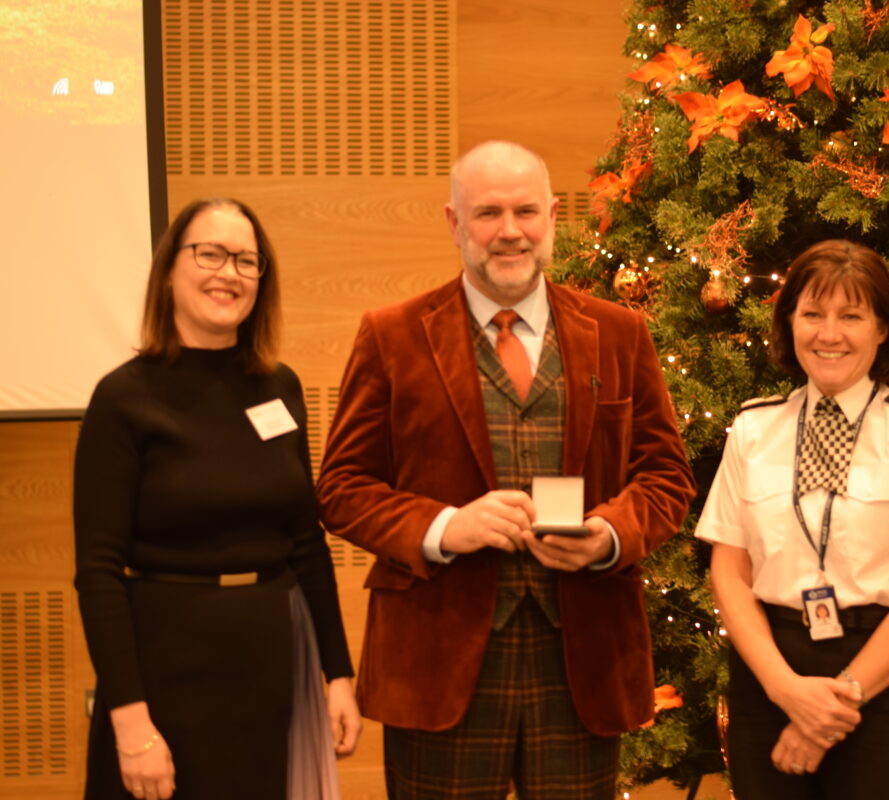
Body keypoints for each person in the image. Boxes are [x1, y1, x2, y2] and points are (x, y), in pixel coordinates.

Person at [316, 140, 695, 800]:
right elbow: (342, 488)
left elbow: (666, 477)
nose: (510, 231)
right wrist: (444, 527)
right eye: (488, 213)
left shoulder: (620, 333)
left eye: (525, 211)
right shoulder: (391, 335)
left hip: (583, 662)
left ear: (552, 217)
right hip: (437, 663)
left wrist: (609, 536)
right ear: (454, 223)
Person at [73, 198, 362, 800]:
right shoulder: (122, 399)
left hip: (268, 669)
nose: (229, 273)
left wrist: (337, 673)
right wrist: (131, 724)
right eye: (210, 254)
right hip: (162, 672)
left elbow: (306, 543)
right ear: (169, 270)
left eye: (246, 260)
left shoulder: (279, 387)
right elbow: (98, 572)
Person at [695, 240, 889, 799]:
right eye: (812, 314)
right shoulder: (752, 428)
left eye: (851, 316)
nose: (830, 334)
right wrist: (785, 690)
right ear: (789, 323)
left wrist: (833, 706)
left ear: (882, 328)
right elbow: (728, 573)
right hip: (769, 675)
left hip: (884, 679)